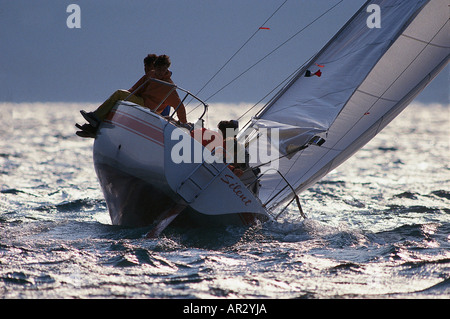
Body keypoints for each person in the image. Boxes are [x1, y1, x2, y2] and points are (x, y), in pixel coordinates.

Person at [76, 54, 187, 138]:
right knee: (119, 99)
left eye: (163, 70)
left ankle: (95, 117)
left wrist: (184, 124)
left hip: (149, 108)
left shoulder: (169, 86)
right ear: (155, 67)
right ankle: (93, 128)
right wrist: (126, 98)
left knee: (119, 93)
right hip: (141, 102)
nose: (160, 72)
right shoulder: (151, 75)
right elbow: (135, 89)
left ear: (167, 69)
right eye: (158, 69)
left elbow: (179, 106)